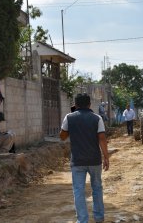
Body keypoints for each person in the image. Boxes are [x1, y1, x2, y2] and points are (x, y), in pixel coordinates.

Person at [60, 93, 109, 223]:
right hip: (94, 160)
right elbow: (102, 138)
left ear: (75, 105)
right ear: (89, 104)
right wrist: (106, 157)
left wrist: (71, 120)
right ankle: (99, 218)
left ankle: (82, 220)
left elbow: (62, 136)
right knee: (97, 188)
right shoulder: (97, 118)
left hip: (77, 162)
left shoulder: (69, 118)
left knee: (78, 191)